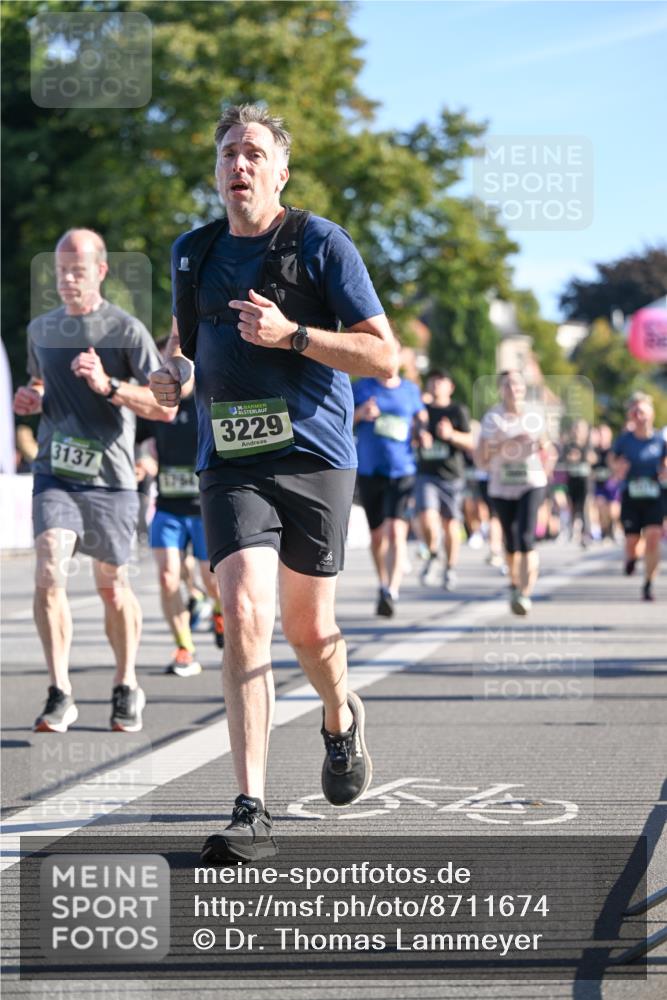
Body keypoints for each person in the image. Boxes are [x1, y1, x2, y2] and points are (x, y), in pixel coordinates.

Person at [149, 104, 397, 862]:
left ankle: (337, 713)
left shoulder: (321, 243)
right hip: (231, 462)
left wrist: (292, 335)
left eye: (254, 152)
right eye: (228, 153)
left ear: (279, 171)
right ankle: (250, 805)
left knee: (309, 631)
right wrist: (167, 376)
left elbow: (383, 358)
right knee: (245, 612)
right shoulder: (193, 253)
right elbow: (181, 348)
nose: (239, 165)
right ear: (217, 171)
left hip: (317, 458)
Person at [13, 228, 174, 733]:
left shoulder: (125, 331)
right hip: (56, 472)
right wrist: (31, 399)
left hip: (112, 479)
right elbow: (40, 383)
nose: (66, 280)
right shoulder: (41, 330)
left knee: (111, 586)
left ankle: (126, 683)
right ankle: (60, 690)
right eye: (59, 271)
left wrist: (109, 386)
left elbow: (165, 407)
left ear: (101, 271)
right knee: (49, 570)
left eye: (77, 271)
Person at [138, 340, 223, 676]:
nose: (171, 371)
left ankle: (218, 609)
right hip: (169, 508)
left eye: (177, 363)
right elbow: (141, 442)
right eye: (165, 364)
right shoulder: (157, 406)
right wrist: (143, 460)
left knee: (211, 580)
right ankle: (185, 647)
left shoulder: (208, 398)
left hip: (204, 508)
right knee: (167, 576)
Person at [475, 370, 554, 616]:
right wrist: (508, 445)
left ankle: (524, 593)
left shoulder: (535, 414)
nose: (513, 389)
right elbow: (482, 457)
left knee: (526, 535)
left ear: (524, 388)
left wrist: (546, 463)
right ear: (501, 389)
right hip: (501, 484)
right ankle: (514, 582)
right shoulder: (492, 418)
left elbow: (548, 448)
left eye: (518, 384)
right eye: (508, 384)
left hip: (531, 482)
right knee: (511, 540)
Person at [352, 372, 423, 616]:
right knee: (377, 536)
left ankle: (392, 590)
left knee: (395, 531)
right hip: (370, 469)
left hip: (403, 469)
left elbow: (420, 419)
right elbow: (340, 421)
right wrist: (360, 413)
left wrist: (422, 433)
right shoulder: (361, 387)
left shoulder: (410, 390)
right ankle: (383, 583)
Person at [414, 370, 473, 590]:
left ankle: (450, 568)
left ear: (450, 387)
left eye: (441, 381)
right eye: (433, 380)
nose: (437, 384)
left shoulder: (457, 410)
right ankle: (433, 554)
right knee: (427, 517)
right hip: (426, 472)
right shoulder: (422, 411)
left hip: (451, 475)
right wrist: (420, 438)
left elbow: (470, 442)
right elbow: (411, 436)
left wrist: (450, 435)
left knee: (450, 525)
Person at [612, 394, 667, 601]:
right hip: (631, 495)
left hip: (655, 494)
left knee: (653, 537)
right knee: (632, 540)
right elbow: (612, 461)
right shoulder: (625, 440)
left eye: (643, 412)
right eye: (636, 413)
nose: (640, 417)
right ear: (632, 416)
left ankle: (648, 583)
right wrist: (618, 468)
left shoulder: (661, 439)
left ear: (651, 415)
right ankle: (632, 558)